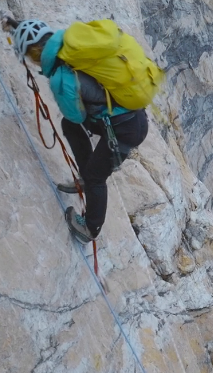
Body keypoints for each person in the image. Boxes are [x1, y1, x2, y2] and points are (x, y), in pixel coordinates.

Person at [8, 18, 150, 243]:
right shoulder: (70, 46)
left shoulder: (61, 78)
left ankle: (90, 229)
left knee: (96, 176)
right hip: (132, 118)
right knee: (70, 126)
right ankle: (85, 174)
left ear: (34, 56)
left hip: (123, 131)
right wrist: (14, 26)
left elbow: (77, 115)